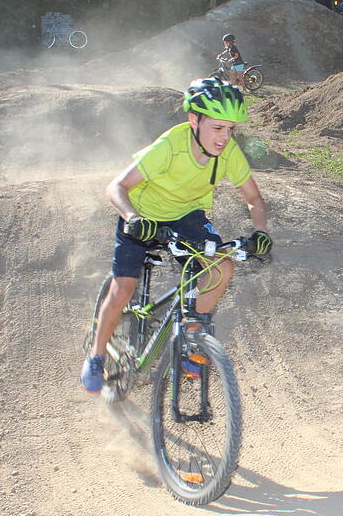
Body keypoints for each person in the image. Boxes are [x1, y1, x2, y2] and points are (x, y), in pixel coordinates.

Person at [81, 78, 271, 393]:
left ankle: (191, 339)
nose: (224, 138)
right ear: (194, 120)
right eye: (217, 128)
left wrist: (261, 231)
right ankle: (97, 355)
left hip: (186, 217)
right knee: (124, 289)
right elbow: (116, 187)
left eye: (230, 130)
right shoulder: (169, 146)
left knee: (222, 266)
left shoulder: (229, 153)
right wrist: (133, 218)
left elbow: (255, 199)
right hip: (142, 215)